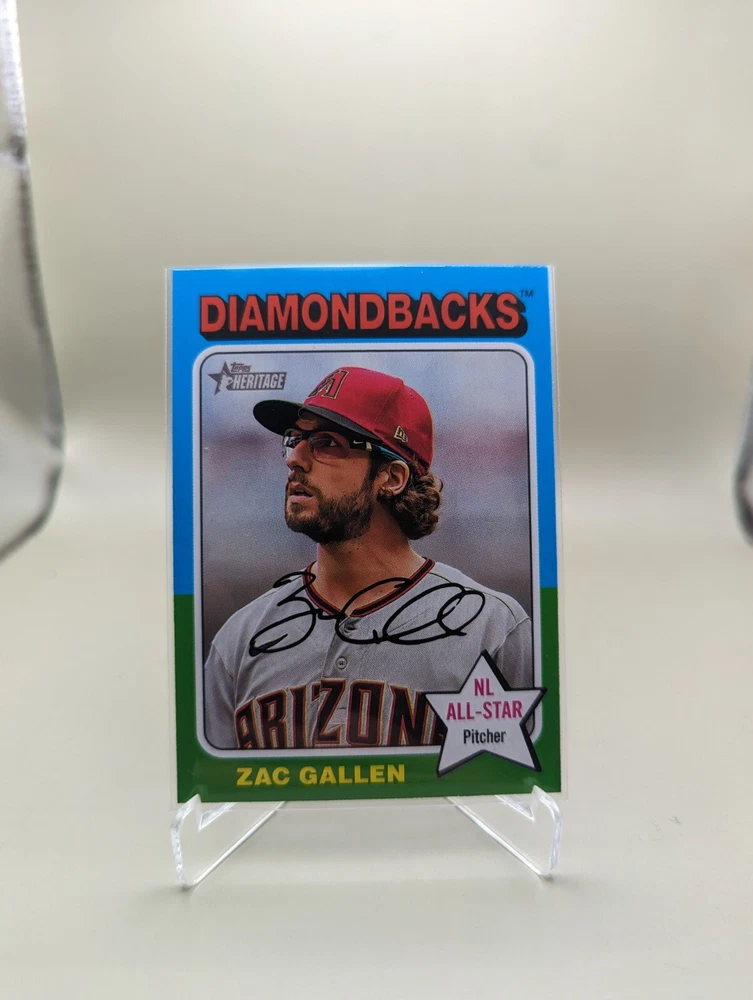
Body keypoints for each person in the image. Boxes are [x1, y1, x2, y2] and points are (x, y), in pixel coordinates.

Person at [203, 365, 532, 750]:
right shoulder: (239, 640)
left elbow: (523, 780)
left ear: (392, 477)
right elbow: (209, 783)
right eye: (295, 440)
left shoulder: (491, 629)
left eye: (326, 443)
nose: (295, 459)